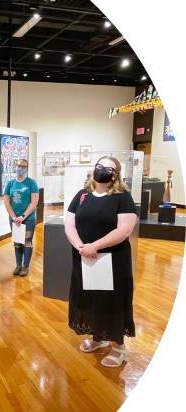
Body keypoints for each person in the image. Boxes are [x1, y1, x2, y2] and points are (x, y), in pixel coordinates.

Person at [64, 156, 138, 367]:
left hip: (112, 259)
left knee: (112, 300)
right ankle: (99, 337)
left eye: (109, 168)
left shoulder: (122, 197)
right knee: (91, 297)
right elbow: (70, 224)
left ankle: (118, 347)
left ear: (116, 174)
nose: (103, 170)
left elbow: (124, 229)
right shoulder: (82, 195)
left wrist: (94, 246)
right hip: (84, 257)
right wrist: (81, 246)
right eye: (100, 166)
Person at [3, 158, 40, 277]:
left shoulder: (31, 183)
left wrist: (23, 216)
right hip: (14, 219)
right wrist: (14, 217)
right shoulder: (10, 183)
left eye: (22, 166)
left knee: (27, 241)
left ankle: (25, 266)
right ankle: (18, 265)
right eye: (18, 166)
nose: (19, 168)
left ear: (26, 168)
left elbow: (34, 202)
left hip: (28, 219)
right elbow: (7, 202)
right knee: (18, 242)